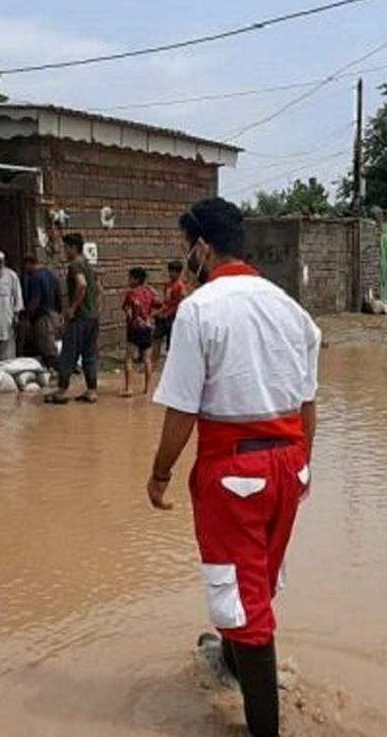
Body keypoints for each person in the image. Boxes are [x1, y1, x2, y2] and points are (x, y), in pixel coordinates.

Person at [147, 197, 320, 737]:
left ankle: (264, 727)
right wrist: (303, 471)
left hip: (233, 470)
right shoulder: (291, 308)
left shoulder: (199, 309)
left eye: (186, 248)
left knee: (242, 596)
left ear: (201, 247)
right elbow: (308, 404)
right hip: (290, 462)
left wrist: (159, 473)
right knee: (255, 580)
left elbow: (183, 408)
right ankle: (229, 659)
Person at [45, 233, 101, 405]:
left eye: (66, 247)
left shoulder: (75, 265)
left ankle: (62, 391)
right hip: (92, 318)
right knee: (89, 355)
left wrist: (72, 308)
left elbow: (82, 285)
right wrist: (97, 309)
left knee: (68, 354)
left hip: (79, 319)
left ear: (73, 248)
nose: (64, 251)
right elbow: (99, 289)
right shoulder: (88, 265)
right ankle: (91, 391)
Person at [121, 267, 159, 398]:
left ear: (136, 279)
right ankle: (147, 389)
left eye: (130, 278)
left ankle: (129, 388)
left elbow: (125, 307)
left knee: (129, 358)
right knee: (147, 359)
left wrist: (130, 315)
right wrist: (149, 317)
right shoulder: (150, 292)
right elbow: (159, 304)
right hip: (147, 328)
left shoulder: (131, 293)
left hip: (134, 328)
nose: (128, 280)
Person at [22, 254, 62, 369]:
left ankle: (59, 371)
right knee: (49, 342)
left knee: (46, 345)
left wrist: (29, 316)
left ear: (29, 264)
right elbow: (58, 294)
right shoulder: (51, 275)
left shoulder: (35, 277)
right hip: (53, 313)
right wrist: (59, 312)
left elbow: (35, 300)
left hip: (42, 315)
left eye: (25, 266)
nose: (24, 270)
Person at [152, 259, 187, 364]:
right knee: (156, 338)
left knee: (171, 342)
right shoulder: (168, 285)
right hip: (164, 316)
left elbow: (180, 304)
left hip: (173, 318)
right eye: (170, 271)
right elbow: (166, 302)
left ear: (179, 272)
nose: (171, 274)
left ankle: (171, 364)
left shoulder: (180, 286)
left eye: (174, 272)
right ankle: (154, 361)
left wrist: (168, 313)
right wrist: (158, 312)